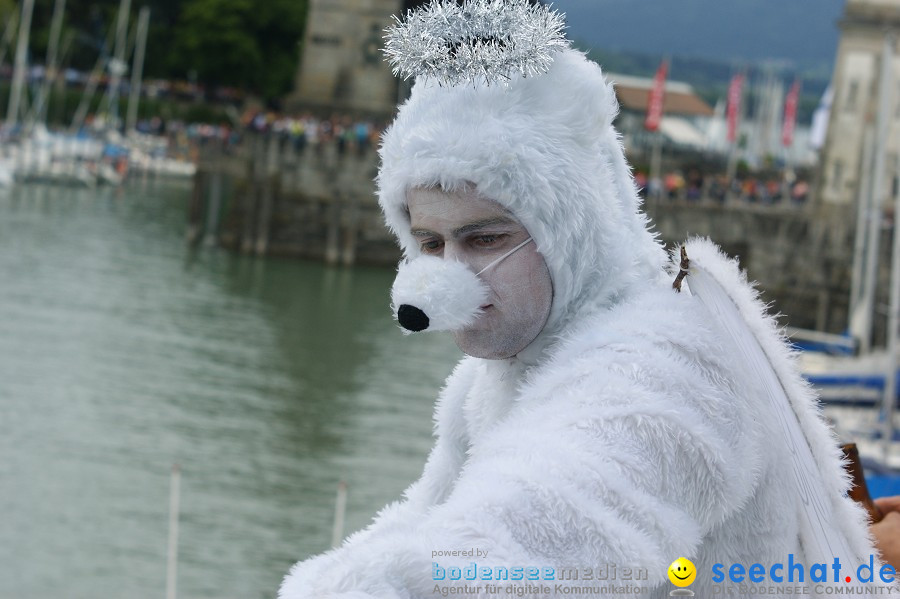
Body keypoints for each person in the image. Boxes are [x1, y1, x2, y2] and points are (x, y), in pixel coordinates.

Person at [279, 1, 881, 597]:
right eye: (429, 243)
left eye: (485, 238)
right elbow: (430, 519)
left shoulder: (668, 365)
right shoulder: (496, 372)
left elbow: (545, 527)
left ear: (574, 231)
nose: (440, 283)